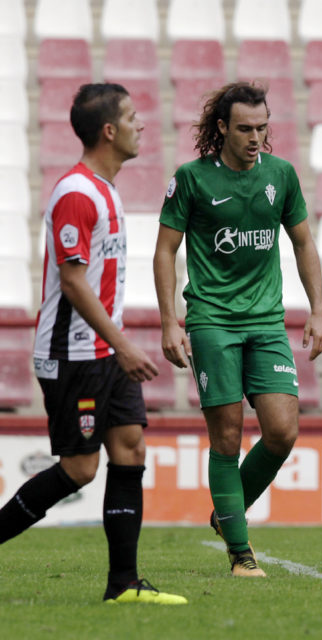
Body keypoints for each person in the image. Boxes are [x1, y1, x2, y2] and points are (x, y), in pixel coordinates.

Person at [0, 84, 187, 604]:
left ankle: (123, 585)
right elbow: (74, 280)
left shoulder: (105, 189)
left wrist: (117, 347)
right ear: (109, 130)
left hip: (102, 352)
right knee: (81, 468)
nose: (140, 123)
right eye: (131, 116)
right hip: (74, 355)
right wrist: (123, 344)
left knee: (130, 450)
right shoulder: (79, 193)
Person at [154, 82, 322, 577]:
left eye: (263, 127)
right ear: (223, 129)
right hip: (211, 320)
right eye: (246, 128)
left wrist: (318, 309)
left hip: (267, 321)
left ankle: (227, 512)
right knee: (227, 438)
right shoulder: (190, 179)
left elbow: (302, 243)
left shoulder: (281, 175)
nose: (256, 137)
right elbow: (165, 250)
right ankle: (240, 551)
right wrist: (171, 320)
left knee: (282, 431)